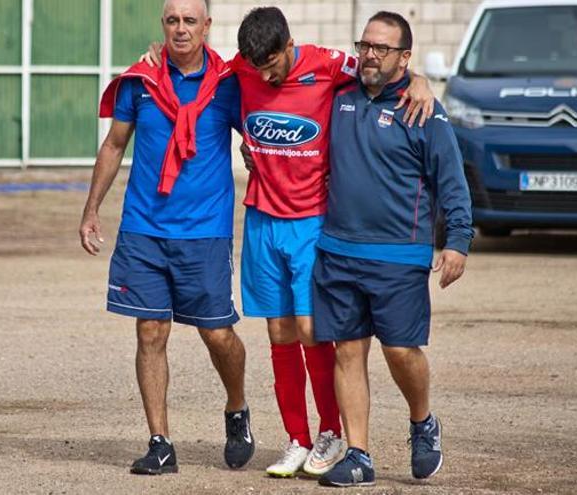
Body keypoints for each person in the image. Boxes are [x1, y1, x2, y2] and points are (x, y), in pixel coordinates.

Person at [142, 6, 436, 478]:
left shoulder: (326, 64)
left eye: (272, 65)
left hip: (311, 222)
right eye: (257, 67)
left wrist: (418, 78)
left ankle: (331, 432)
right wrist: (156, 55)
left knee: (310, 328)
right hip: (261, 218)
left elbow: (379, 69)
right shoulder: (239, 67)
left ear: (288, 46)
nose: (265, 75)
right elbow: (192, 60)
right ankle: (296, 439)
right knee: (278, 333)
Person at [78, 0, 254, 475]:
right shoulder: (140, 80)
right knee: (150, 330)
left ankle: (236, 409)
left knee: (217, 334)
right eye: (172, 20)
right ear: (163, 25)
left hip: (205, 232)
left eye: (190, 21)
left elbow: (258, 134)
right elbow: (115, 144)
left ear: (207, 27)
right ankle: (160, 442)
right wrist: (92, 209)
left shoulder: (227, 85)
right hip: (143, 228)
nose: (180, 29)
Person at [311, 11, 473, 487]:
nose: (370, 54)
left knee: (401, 352)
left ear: (405, 57)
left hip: (399, 255)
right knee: (347, 352)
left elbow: (452, 182)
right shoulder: (338, 95)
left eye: (382, 48)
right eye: (365, 45)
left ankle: (422, 421)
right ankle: (359, 453)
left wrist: (458, 241)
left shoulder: (424, 109)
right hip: (337, 249)